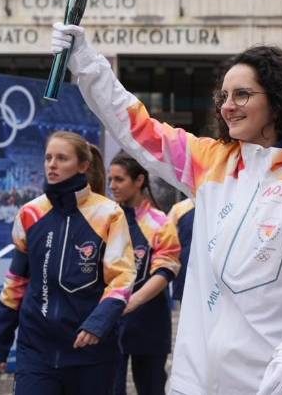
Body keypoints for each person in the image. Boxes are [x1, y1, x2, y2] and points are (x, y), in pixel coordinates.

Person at [51, 23, 282, 394]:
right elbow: (135, 126)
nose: (228, 106)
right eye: (224, 96)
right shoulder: (211, 162)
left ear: (278, 100)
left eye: (242, 95)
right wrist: (86, 62)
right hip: (195, 379)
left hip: (274, 379)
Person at [0, 131, 136, 394]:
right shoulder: (30, 213)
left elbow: (122, 278)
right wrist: (0, 341)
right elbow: (16, 282)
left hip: (92, 354)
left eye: (61, 158)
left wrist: (97, 323)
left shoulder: (109, 214)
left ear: (83, 165)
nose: (51, 164)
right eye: (48, 158)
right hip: (36, 351)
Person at [109, 152, 182, 395]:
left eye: (119, 180)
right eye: (110, 180)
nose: (112, 186)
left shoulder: (159, 222)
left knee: (151, 389)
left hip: (149, 323)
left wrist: (131, 302)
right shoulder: (106, 218)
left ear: (139, 180)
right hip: (110, 322)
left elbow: (167, 269)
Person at [167, 197, 194, 303]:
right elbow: (167, 239)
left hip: (213, 268)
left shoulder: (216, 203)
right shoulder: (179, 209)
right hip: (185, 268)